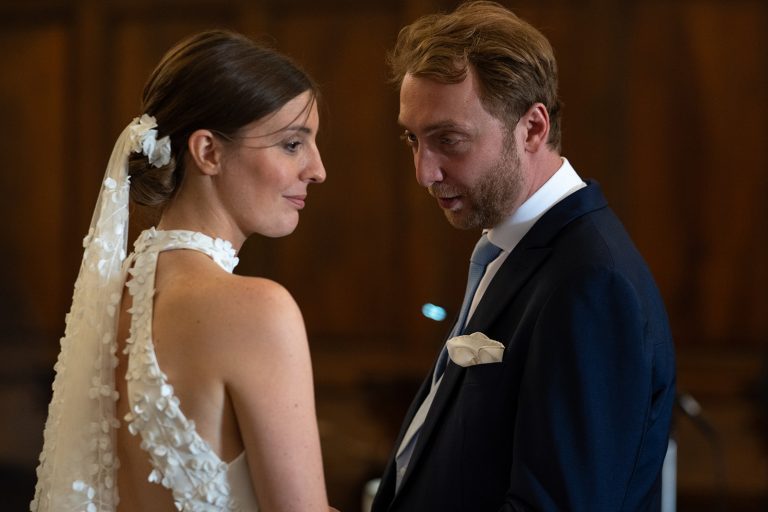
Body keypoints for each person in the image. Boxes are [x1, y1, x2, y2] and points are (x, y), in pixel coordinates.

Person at [371, 2, 676, 511]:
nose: (424, 172)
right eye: (413, 139)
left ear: (532, 128)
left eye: (449, 140)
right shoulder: (513, 249)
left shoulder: (591, 282)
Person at [31, 30, 338, 511]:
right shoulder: (258, 311)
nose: (317, 169)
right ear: (208, 152)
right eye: (292, 144)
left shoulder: (117, 296)